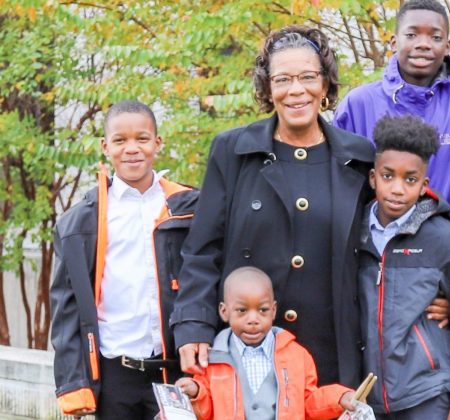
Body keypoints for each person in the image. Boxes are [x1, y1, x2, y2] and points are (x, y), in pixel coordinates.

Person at [170, 25, 374, 388]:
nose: (296, 90)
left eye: (308, 77)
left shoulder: (358, 158)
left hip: (331, 357)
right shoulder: (232, 151)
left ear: (325, 85)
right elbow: (202, 252)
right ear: (268, 88)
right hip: (246, 353)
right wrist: (192, 325)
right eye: (282, 80)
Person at [50, 100, 198, 418]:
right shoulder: (80, 222)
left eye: (142, 138)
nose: (132, 149)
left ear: (157, 143)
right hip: (114, 372)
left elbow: (205, 283)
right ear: (106, 146)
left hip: (175, 371)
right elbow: (67, 307)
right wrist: (73, 381)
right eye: (120, 140)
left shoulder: (187, 208)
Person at [359, 115, 450, 419]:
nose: (397, 189)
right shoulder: (355, 232)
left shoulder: (441, 238)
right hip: (366, 396)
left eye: (410, 179)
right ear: (372, 178)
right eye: (388, 176)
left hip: (427, 394)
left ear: (423, 186)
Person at [333, 0, 450, 211]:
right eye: (412, 35)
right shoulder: (358, 104)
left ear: (447, 46)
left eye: (435, 37)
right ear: (394, 42)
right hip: (377, 240)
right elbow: (339, 186)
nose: (423, 44)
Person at [176, 266, 356, 419]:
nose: (253, 319)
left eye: (262, 310)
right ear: (224, 311)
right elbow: (205, 409)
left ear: (274, 310)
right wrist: (195, 392)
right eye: (242, 310)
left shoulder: (296, 355)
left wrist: (339, 397)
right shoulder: (212, 359)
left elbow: (308, 401)